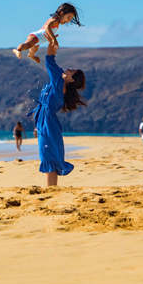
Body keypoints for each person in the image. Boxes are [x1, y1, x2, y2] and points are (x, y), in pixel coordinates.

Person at [27, 40, 86, 187]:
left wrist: (51, 41)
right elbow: (51, 59)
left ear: (71, 80)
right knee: (49, 156)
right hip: (46, 121)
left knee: (48, 156)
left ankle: (51, 190)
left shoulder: (59, 84)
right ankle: (51, 189)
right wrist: (51, 42)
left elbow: (49, 62)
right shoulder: (60, 81)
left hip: (48, 122)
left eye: (70, 71)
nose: (67, 69)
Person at [12, 3, 82, 64]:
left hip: (39, 40)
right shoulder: (54, 20)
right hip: (36, 36)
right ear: (61, 13)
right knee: (28, 44)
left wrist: (53, 37)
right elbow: (47, 27)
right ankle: (18, 50)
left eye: (70, 19)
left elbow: (50, 30)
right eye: (68, 17)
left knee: (34, 49)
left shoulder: (57, 22)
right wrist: (53, 38)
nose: (68, 20)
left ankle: (31, 55)